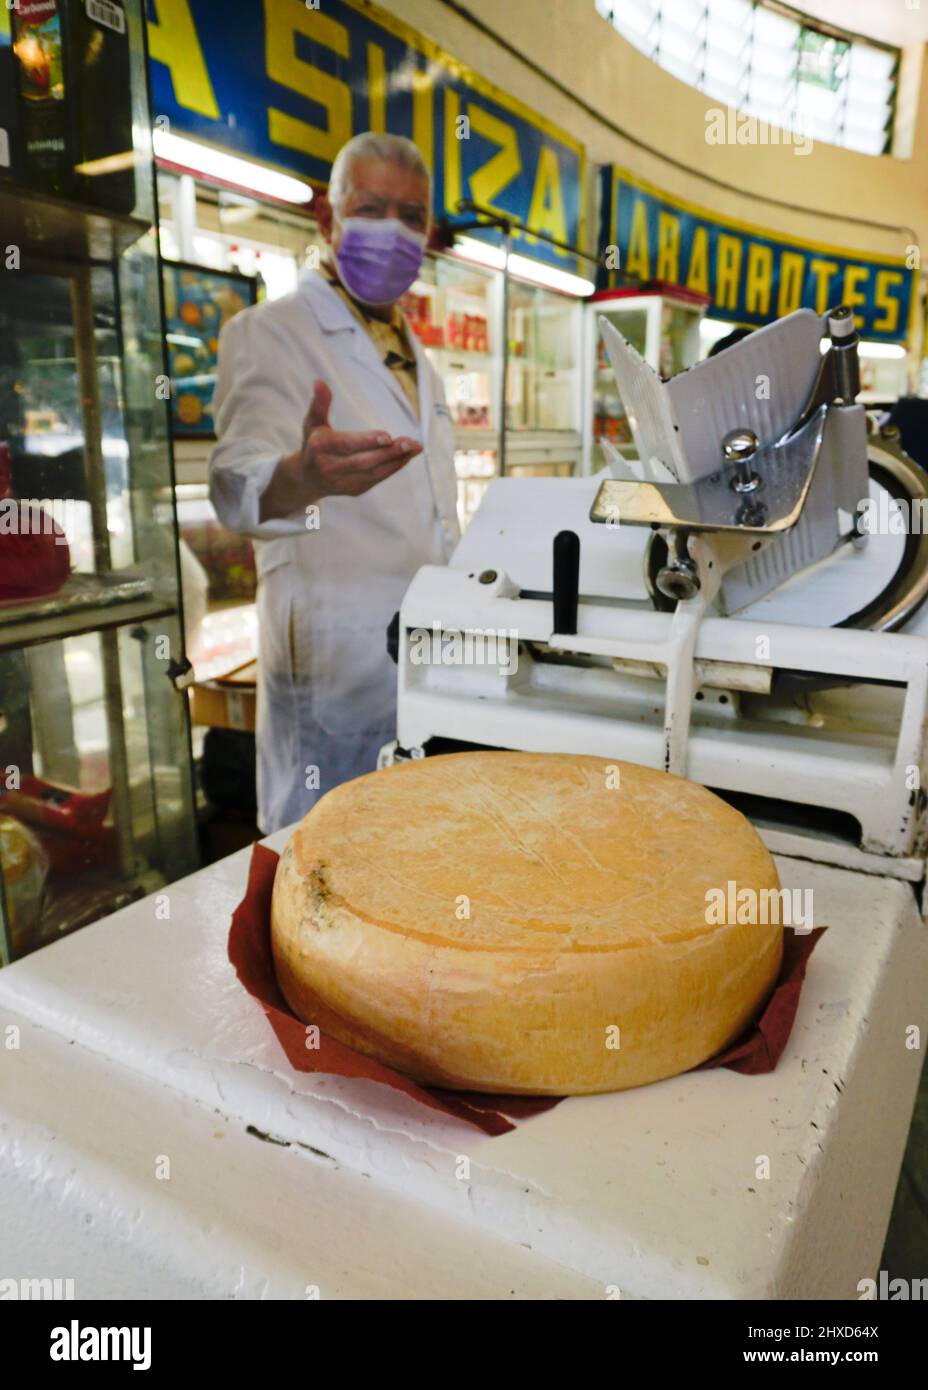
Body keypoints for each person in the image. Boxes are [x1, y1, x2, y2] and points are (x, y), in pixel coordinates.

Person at [209, 132, 460, 833]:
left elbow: (438, 515)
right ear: (328, 219)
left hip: (423, 675)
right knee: (320, 869)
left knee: (406, 864)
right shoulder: (270, 333)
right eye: (372, 208)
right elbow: (234, 485)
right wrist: (300, 477)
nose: (394, 231)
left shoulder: (420, 362)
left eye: (412, 217)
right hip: (332, 681)